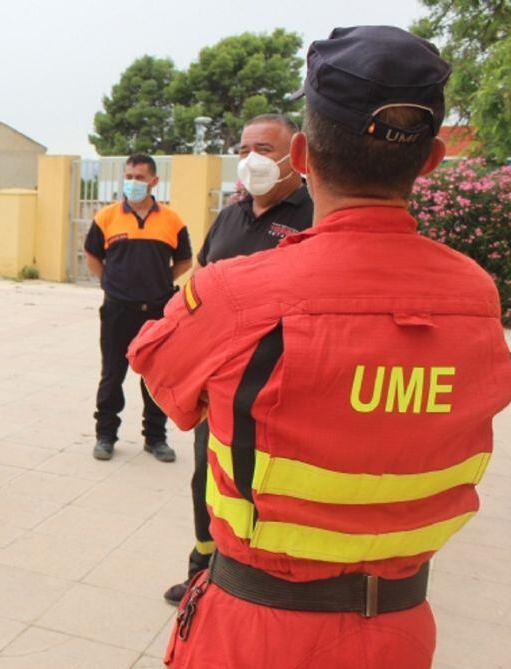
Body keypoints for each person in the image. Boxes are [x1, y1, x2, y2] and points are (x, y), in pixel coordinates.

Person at [128, 27, 511, 668]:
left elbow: (159, 372)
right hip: (401, 630)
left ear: (302, 154)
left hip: (256, 633)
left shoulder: (238, 292)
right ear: (431, 159)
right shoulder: (475, 295)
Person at [163, 114, 313, 606]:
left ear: (297, 155)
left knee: (268, 488)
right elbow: (201, 283)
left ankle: (264, 580)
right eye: (245, 147)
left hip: (282, 388)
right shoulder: (230, 216)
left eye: (265, 149)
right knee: (209, 478)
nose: (252, 159)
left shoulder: (316, 215)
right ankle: (203, 570)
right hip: (220, 383)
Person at [84, 154, 190, 462]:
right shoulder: (106, 217)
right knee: (112, 374)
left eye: (139, 178)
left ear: (154, 182)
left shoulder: (172, 220)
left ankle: (155, 438)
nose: (132, 183)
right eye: (128, 176)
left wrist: (159, 282)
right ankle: (105, 436)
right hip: (118, 310)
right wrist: (111, 284)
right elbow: (92, 256)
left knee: (155, 376)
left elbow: (184, 260)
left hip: (157, 311)